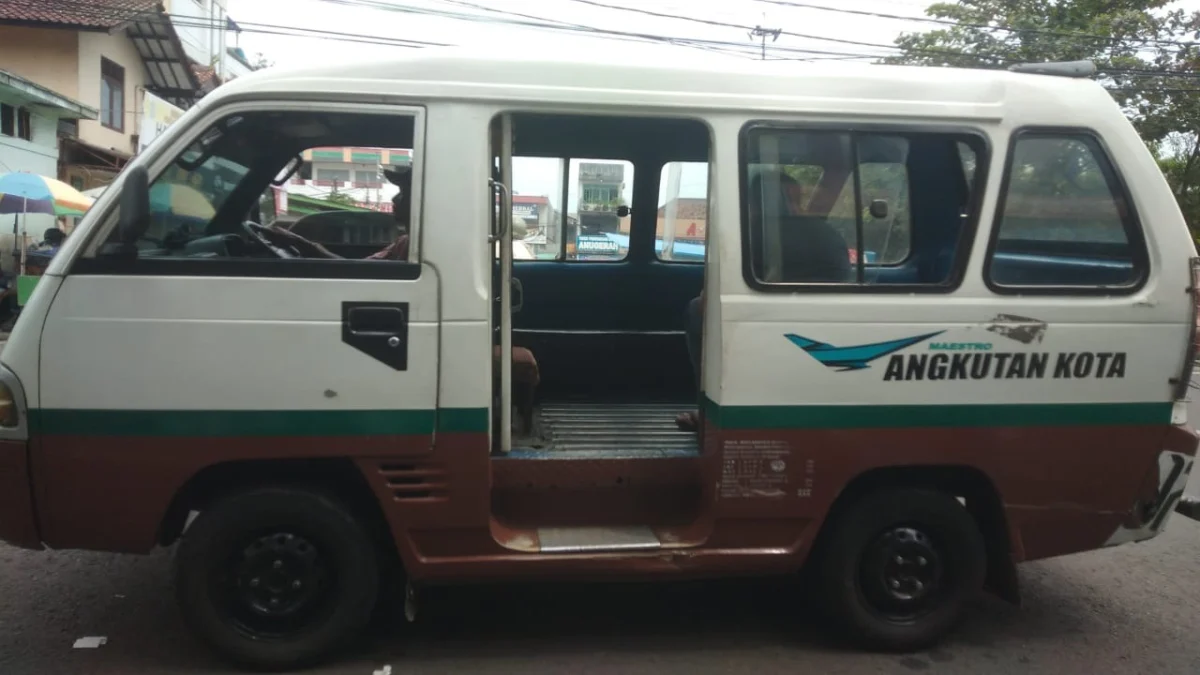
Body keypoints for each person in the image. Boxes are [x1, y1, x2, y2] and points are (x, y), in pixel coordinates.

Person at [261, 165, 411, 260]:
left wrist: (302, 244)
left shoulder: (410, 245)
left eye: (404, 192)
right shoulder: (404, 242)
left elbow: (357, 273)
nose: (395, 198)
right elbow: (363, 268)